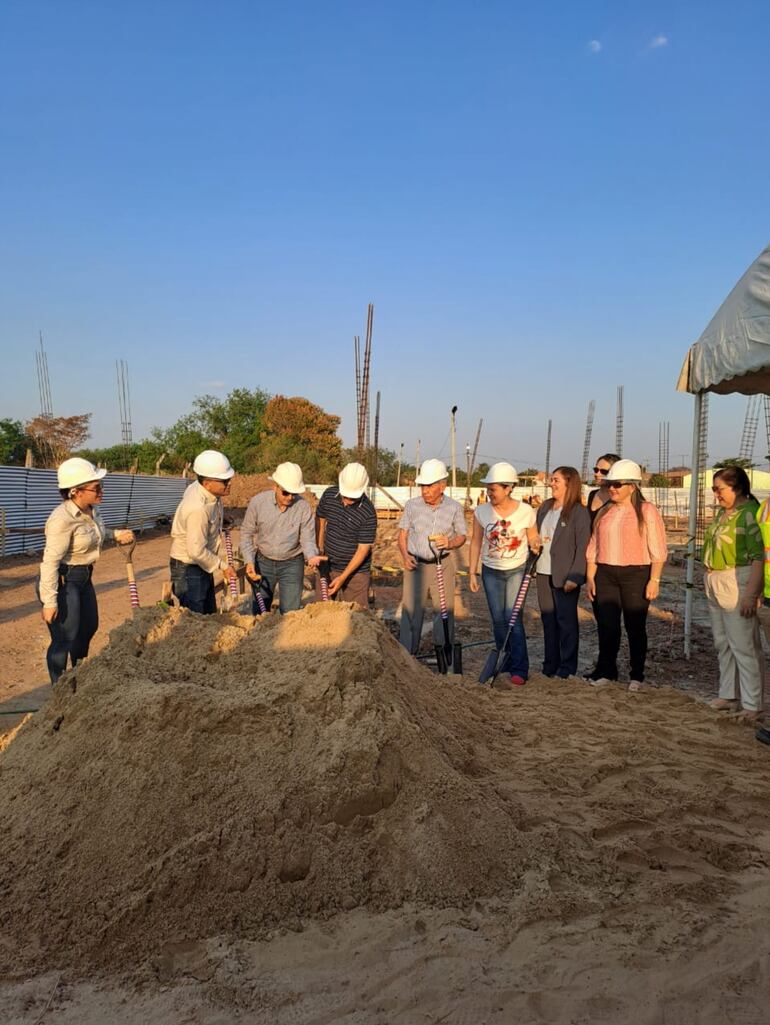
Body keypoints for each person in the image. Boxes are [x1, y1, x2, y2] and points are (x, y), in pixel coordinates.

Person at [39, 458, 135, 683]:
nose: (101, 490)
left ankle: (78, 679)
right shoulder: (61, 520)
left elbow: (95, 533)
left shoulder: (92, 510)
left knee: (89, 627)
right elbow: (50, 562)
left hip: (84, 579)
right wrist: (50, 601)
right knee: (65, 637)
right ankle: (60, 690)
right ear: (75, 491)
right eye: (96, 487)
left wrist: (115, 535)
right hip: (65, 581)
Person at [585, 459, 667, 689]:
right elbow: (593, 547)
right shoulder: (605, 512)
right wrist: (591, 577)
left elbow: (658, 548)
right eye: (610, 483)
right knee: (608, 626)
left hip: (636, 573)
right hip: (606, 574)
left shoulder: (647, 511)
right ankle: (607, 671)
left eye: (618, 484)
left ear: (632, 486)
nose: (612, 488)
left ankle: (636, 675)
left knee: (635, 626)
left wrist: (654, 579)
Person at [469, 462, 540, 685]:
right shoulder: (481, 511)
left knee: (512, 618)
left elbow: (533, 537)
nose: (489, 493)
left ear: (508, 488)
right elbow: (475, 542)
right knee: (498, 620)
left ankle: (520, 667)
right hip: (490, 571)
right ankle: (504, 662)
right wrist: (472, 572)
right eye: (488, 489)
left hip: (516, 570)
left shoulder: (526, 511)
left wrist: (536, 544)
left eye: (494, 489)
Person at [702, 467, 764, 720]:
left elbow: (758, 557)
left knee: (743, 644)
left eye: (720, 489)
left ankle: (753, 703)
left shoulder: (749, 514)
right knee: (723, 641)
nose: (716, 494)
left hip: (737, 577)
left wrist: (750, 594)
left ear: (737, 487)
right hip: (715, 578)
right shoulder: (723, 513)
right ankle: (729, 694)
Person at [398, 458, 467, 655]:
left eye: (429, 486)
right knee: (411, 612)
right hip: (415, 565)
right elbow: (402, 534)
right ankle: (406, 657)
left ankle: (444, 658)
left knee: (444, 612)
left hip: (442, 564)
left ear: (442, 486)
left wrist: (450, 543)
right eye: (422, 487)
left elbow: (462, 535)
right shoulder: (412, 506)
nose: (425, 491)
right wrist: (404, 555)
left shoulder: (454, 507)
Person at [240, 462, 323, 614]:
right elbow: (246, 533)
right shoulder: (258, 503)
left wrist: (311, 556)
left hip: (292, 564)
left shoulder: (303, 508)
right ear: (275, 487)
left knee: (290, 614)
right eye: (286, 493)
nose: (290, 497)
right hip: (263, 562)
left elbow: (307, 538)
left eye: (294, 493)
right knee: (259, 610)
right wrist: (249, 561)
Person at [535, 466, 591, 678]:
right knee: (548, 621)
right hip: (543, 571)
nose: (552, 483)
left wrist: (576, 576)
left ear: (570, 483)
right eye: (551, 479)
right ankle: (550, 665)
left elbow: (582, 546)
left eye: (556, 480)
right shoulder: (545, 507)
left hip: (565, 575)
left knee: (566, 622)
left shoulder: (578, 512)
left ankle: (567, 668)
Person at [169, 449, 237, 614]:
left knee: (208, 615)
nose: (229, 484)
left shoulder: (206, 491)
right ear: (207, 483)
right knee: (195, 619)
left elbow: (210, 514)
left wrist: (220, 519)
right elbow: (196, 551)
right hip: (189, 568)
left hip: (201, 565)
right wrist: (223, 566)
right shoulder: (197, 508)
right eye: (224, 481)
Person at [315, 462, 377, 606]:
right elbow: (321, 519)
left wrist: (343, 577)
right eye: (345, 496)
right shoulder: (329, 495)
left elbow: (363, 550)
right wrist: (319, 548)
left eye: (352, 498)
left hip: (356, 574)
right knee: (322, 616)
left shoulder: (368, 512)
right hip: (327, 566)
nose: (347, 501)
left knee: (356, 618)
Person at [586, 453, 621, 523]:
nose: (597, 474)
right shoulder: (592, 494)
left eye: (604, 471)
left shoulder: (618, 498)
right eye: (596, 470)